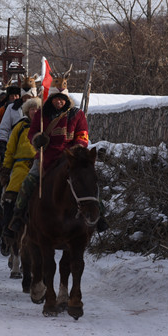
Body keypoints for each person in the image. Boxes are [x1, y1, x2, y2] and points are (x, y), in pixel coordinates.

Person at [7, 83, 107, 234]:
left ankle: (99, 215)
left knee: (89, 181)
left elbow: (83, 135)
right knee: (28, 183)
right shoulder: (41, 115)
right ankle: (18, 215)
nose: (59, 102)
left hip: (71, 158)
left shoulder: (77, 114)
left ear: (66, 99)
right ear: (51, 99)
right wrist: (37, 139)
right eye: (56, 99)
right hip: (46, 157)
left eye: (62, 99)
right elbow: (32, 132)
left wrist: (76, 148)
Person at [0, 96, 41, 243]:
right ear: (27, 111)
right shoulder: (20, 126)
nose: (34, 111)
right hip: (21, 166)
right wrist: (6, 169)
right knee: (11, 194)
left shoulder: (45, 126)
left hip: (41, 164)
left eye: (37, 109)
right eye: (32, 109)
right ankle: (8, 227)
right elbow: (10, 149)